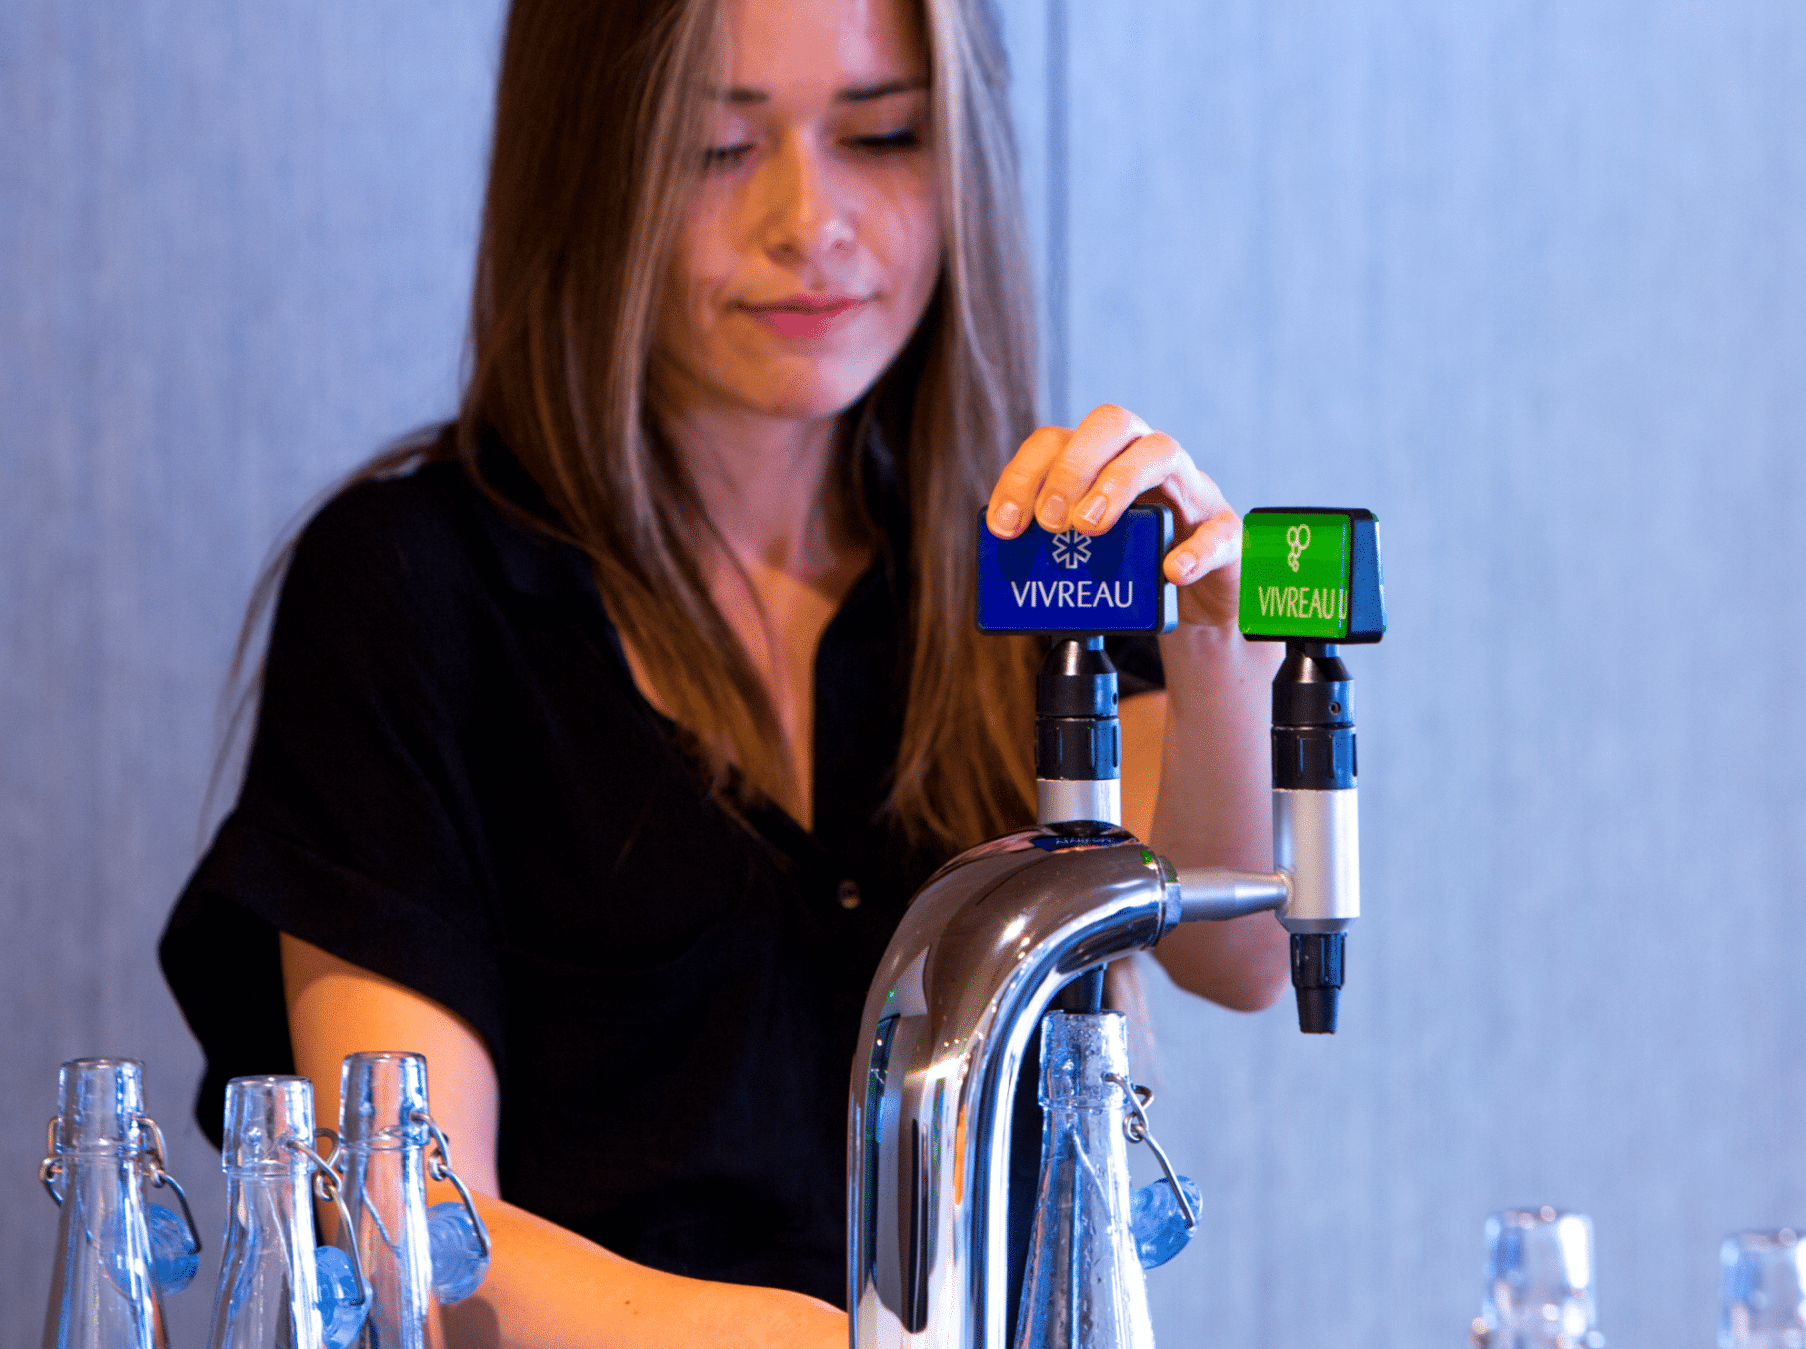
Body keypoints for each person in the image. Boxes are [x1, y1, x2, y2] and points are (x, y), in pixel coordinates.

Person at [159, 0, 1288, 1343]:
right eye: (717, 149)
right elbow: (410, 1224)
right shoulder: (414, 588)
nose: (810, 221)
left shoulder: (1020, 572)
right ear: (589, 164)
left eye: (883, 136)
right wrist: (837, 1340)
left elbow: (1244, 951)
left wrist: (1218, 649)